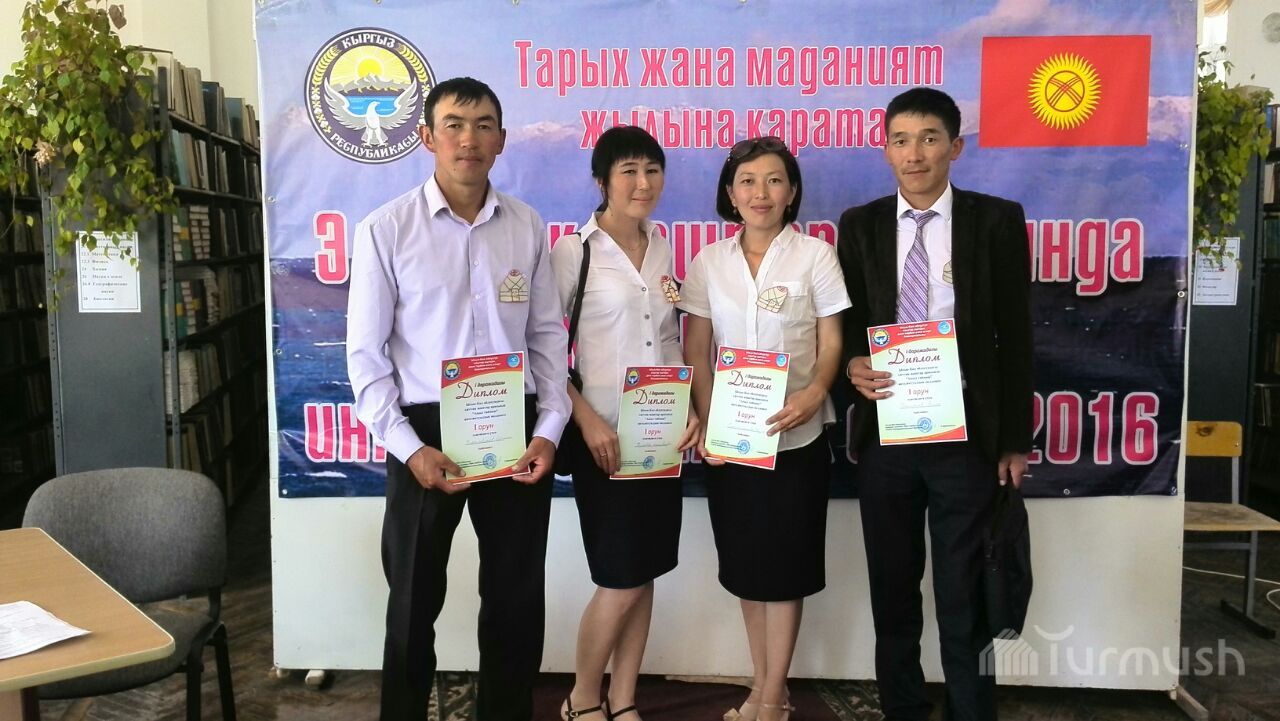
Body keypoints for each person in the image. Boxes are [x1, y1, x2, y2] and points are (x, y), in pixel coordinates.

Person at [346, 76, 571, 721]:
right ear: (427, 137)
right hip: (424, 431)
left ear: (501, 140)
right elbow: (366, 356)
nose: (468, 139)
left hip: (514, 426)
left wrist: (549, 429)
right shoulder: (387, 229)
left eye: (483, 126)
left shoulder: (526, 226)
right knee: (413, 599)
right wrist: (410, 449)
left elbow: (547, 336)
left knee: (515, 598)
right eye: (453, 124)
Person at [836, 87, 1033, 721]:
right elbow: (848, 323)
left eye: (928, 139)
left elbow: (1017, 333)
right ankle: (903, 709)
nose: (914, 154)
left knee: (962, 593)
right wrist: (852, 364)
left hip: (965, 436)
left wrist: (1014, 440)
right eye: (900, 140)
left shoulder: (995, 220)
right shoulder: (860, 225)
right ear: (886, 150)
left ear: (955, 147)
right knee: (892, 590)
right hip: (886, 434)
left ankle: (971, 712)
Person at [678, 137, 850, 721]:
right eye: (747, 181)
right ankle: (760, 687)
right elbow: (697, 351)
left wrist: (816, 392)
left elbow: (831, 341)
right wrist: (711, 421)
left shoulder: (816, 256)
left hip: (797, 439)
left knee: (785, 571)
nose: (761, 192)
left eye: (774, 180)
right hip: (733, 446)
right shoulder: (709, 262)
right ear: (730, 193)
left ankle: (774, 698)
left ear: (791, 191)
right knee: (749, 571)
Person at [549, 125, 700, 721]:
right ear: (602, 180)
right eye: (629, 171)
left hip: (659, 436)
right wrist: (585, 420)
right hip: (605, 439)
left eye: (652, 170)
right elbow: (542, 351)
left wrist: (689, 406)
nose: (643, 183)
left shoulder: (662, 246)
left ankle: (624, 698)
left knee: (646, 571)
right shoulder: (574, 252)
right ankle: (583, 698)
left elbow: (669, 337)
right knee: (620, 577)